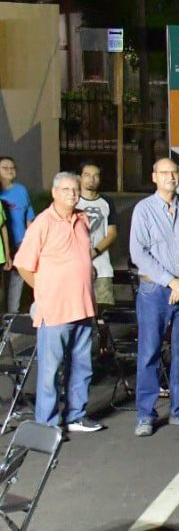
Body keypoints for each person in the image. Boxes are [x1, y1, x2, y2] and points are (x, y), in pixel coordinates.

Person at [13, 172, 103, 433]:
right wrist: (44, 290)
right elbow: (23, 265)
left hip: (83, 307)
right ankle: (48, 424)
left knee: (82, 366)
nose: (72, 194)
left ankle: (76, 415)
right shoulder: (43, 223)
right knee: (51, 372)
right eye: (66, 190)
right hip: (55, 310)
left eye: (75, 190)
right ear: (54, 193)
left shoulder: (82, 219)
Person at [130, 158, 179, 437]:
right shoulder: (143, 210)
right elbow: (139, 253)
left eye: (174, 173)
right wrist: (171, 281)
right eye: (164, 173)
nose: (170, 177)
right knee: (149, 352)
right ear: (154, 177)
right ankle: (146, 415)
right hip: (155, 291)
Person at [77, 161, 119, 307]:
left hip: (102, 265)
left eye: (95, 175)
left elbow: (112, 233)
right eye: (87, 175)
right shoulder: (73, 201)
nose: (91, 179)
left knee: (104, 310)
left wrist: (95, 252)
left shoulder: (106, 202)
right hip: (75, 265)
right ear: (80, 177)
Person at [0, 156, 26, 312]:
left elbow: (28, 214)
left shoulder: (21, 190)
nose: (10, 170)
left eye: (12, 167)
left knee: (18, 280)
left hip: (19, 241)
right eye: (5, 168)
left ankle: (12, 315)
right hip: (3, 246)